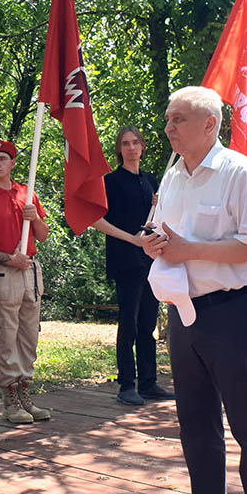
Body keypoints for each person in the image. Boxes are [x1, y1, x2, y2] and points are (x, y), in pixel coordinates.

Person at [139, 86, 247, 494]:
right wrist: (156, 244)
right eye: (168, 119)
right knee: (196, 427)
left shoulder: (242, 173)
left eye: (178, 119)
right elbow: (163, 232)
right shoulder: (172, 175)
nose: (169, 128)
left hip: (231, 312)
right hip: (183, 314)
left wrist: (189, 251)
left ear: (210, 124)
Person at [0, 140, 51, 424]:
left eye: (3, 159)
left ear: (13, 163)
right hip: (2, 270)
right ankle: (10, 397)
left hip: (29, 270)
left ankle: (26, 391)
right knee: (5, 334)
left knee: (29, 334)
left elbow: (42, 235)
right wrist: (7, 258)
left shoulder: (27, 193)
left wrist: (34, 218)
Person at [92, 128, 174, 406]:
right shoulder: (110, 182)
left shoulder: (151, 180)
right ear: (119, 149)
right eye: (125, 144)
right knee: (128, 323)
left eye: (135, 142)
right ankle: (127, 384)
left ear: (143, 146)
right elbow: (95, 220)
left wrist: (159, 208)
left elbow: (156, 221)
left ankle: (149, 382)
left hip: (151, 260)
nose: (130, 148)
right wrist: (131, 239)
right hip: (125, 259)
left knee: (148, 323)